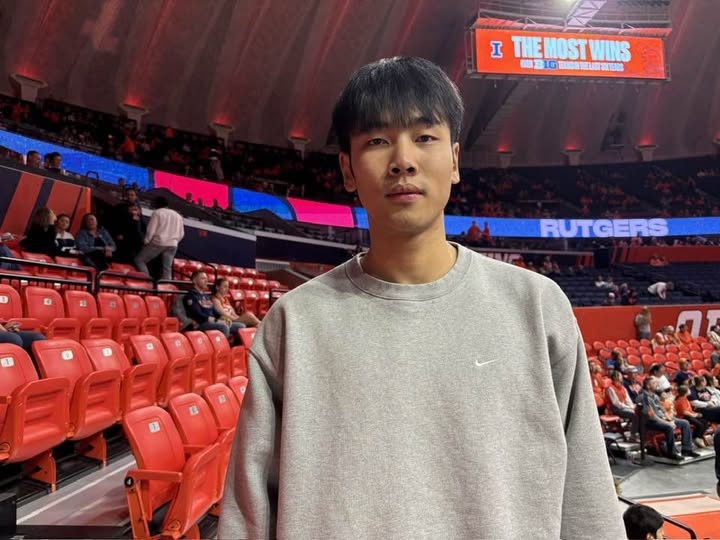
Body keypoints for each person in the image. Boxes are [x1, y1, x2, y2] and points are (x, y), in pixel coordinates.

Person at [218, 57, 626, 539]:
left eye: (425, 137)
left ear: (454, 161)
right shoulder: (295, 323)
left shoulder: (536, 307)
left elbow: (586, 500)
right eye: (377, 140)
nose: (403, 160)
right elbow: (248, 515)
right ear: (347, 169)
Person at [639, 377, 698, 460]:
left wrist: (670, 419)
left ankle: (687, 449)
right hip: (651, 422)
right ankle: (671, 453)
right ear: (648, 386)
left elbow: (663, 410)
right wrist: (667, 423)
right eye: (654, 383)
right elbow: (652, 416)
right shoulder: (644, 398)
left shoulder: (655, 396)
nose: (657, 385)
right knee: (669, 427)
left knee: (685, 423)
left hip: (662, 419)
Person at [134, 196, 184, 280]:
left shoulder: (157, 213)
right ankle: (167, 285)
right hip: (173, 244)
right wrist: (175, 241)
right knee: (167, 268)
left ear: (157, 203)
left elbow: (151, 230)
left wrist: (146, 242)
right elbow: (181, 234)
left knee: (139, 260)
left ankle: (147, 281)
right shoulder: (178, 216)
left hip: (159, 242)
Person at [183, 271, 242, 338]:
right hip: (201, 324)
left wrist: (224, 318)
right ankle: (222, 344)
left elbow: (214, 311)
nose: (206, 281)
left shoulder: (206, 296)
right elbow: (197, 315)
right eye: (203, 278)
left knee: (240, 326)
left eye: (206, 279)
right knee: (224, 327)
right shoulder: (191, 296)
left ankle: (233, 344)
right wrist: (216, 320)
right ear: (194, 281)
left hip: (213, 322)